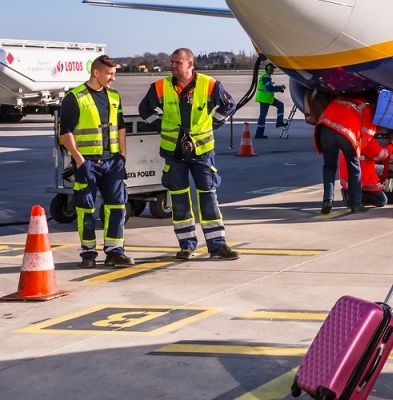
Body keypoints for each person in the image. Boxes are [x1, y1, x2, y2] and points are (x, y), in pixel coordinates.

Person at [138, 48, 239, 260]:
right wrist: (160, 126)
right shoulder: (160, 86)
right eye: (172, 62)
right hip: (174, 153)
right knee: (179, 200)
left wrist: (213, 123)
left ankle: (217, 245)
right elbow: (144, 110)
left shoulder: (209, 85)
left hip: (202, 152)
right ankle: (187, 245)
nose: (172, 66)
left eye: (177, 62)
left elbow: (229, 105)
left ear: (190, 64)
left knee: (208, 197)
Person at [59, 55, 134, 269]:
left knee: (117, 205)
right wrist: (79, 159)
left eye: (114, 74)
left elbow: (121, 126)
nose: (113, 78)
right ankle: (88, 253)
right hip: (88, 163)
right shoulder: (75, 97)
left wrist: (123, 154)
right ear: (96, 72)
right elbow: (65, 133)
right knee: (86, 208)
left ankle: (115, 252)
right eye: (109, 74)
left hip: (113, 162)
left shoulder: (114, 96)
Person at [315, 94, 376, 214]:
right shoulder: (366, 106)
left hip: (325, 130)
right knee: (354, 168)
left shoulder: (338, 100)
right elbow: (368, 132)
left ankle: (328, 200)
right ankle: (356, 204)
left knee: (329, 167)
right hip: (346, 133)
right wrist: (359, 148)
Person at [254, 63, 286, 139]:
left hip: (267, 98)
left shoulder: (266, 76)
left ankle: (279, 122)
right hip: (264, 99)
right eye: (272, 69)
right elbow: (269, 88)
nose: (273, 70)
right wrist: (279, 88)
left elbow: (270, 88)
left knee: (280, 105)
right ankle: (259, 133)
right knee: (262, 115)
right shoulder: (266, 77)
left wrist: (279, 89)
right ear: (269, 69)